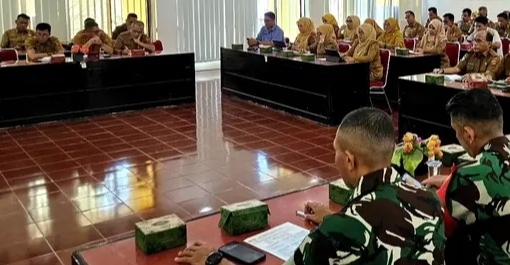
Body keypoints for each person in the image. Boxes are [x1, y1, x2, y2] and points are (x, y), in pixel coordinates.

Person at [177, 108, 446, 265]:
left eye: (336, 151)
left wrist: (213, 260)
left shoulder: (338, 231)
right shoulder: (428, 198)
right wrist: (335, 216)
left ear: (349, 160)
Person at [423, 88, 510, 265]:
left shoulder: (468, 176)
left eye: (456, 132)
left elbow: (437, 221)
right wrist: (449, 181)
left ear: (469, 134)